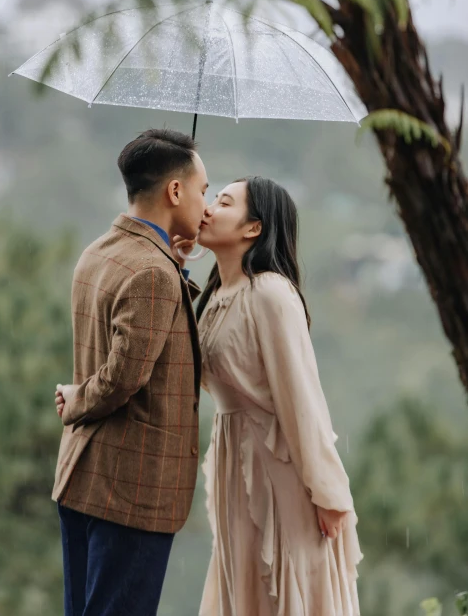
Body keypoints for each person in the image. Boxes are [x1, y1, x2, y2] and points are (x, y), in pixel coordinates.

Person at [53, 128, 209, 616]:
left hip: (85, 477)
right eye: (203, 189)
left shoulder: (100, 250)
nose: (206, 203)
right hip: (132, 487)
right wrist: (76, 400)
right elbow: (123, 377)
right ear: (175, 191)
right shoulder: (153, 273)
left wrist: (177, 262)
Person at [193, 175, 363, 615]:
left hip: (275, 466)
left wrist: (327, 493)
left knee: (280, 585)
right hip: (234, 458)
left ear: (253, 228)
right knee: (245, 584)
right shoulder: (214, 296)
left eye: (224, 202)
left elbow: (301, 399)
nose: (208, 208)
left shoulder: (270, 294)